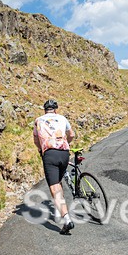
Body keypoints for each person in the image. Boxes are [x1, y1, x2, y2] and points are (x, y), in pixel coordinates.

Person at [33, 99, 76, 234]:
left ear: (45, 110)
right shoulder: (62, 118)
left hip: (50, 154)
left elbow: (36, 140)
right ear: (55, 110)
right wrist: (66, 143)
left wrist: (41, 150)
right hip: (64, 153)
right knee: (58, 182)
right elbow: (72, 134)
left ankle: (67, 219)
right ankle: (60, 210)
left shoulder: (38, 120)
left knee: (54, 187)